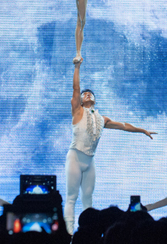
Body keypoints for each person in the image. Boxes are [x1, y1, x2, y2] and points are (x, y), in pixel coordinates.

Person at [64, 58, 156, 233]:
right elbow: (76, 88)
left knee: (88, 198)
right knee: (71, 197)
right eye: (85, 94)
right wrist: (77, 67)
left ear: (95, 101)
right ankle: (68, 234)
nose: (87, 94)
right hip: (75, 157)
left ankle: (88, 232)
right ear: (81, 101)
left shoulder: (102, 118)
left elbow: (123, 126)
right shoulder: (77, 111)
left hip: (90, 161)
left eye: (90, 93)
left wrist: (142, 130)